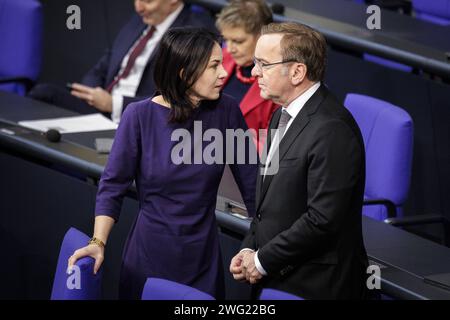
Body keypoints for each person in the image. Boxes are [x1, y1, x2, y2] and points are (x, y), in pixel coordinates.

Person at [68, 27, 257, 300]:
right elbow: (112, 186)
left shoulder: (226, 111)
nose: (223, 73)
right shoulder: (139, 116)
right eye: (214, 66)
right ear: (185, 73)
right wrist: (98, 242)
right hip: (147, 258)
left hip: (202, 261)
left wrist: (263, 248)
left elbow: (253, 186)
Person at [229, 22, 371, 299]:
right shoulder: (281, 113)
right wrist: (249, 248)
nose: (254, 71)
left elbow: (322, 221)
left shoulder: (332, 129)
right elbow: (266, 204)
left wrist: (262, 260)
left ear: (297, 72)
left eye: (263, 64)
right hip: (276, 273)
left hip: (314, 285)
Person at [29, 0, 216, 123]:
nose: (138, 7)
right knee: (43, 93)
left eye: (148, 1)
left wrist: (114, 104)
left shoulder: (194, 32)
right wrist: (90, 93)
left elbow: (180, 98)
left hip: (139, 116)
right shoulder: (140, 19)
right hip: (101, 105)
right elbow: (107, 60)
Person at [216, 0, 279, 153]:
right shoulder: (221, 58)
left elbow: (273, 151)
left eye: (238, 41)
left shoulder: (280, 82)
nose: (230, 49)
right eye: (226, 40)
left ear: (263, 36)